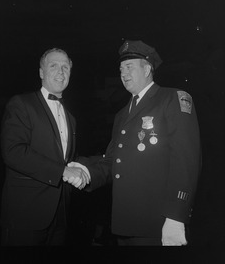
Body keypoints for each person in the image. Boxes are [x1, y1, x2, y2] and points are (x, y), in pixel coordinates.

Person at [67, 40, 202, 246]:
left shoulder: (172, 98)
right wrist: (87, 170)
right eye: (121, 69)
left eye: (129, 67)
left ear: (148, 68)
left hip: (159, 223)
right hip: (126, 222)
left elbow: (186, 160)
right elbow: (115, 160)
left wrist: (176, 216)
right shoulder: (122, 114)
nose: (123, 73)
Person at [0, 47, 90, 246]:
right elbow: (13, 152)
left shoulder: (71, 117)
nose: (61, 72)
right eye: (54, 66)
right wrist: (62, 171)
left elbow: (68, 160)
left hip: (61, 216)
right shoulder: (21, 103)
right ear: (41, 72)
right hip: (26, 215)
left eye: (65, 67)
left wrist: (85, 168)